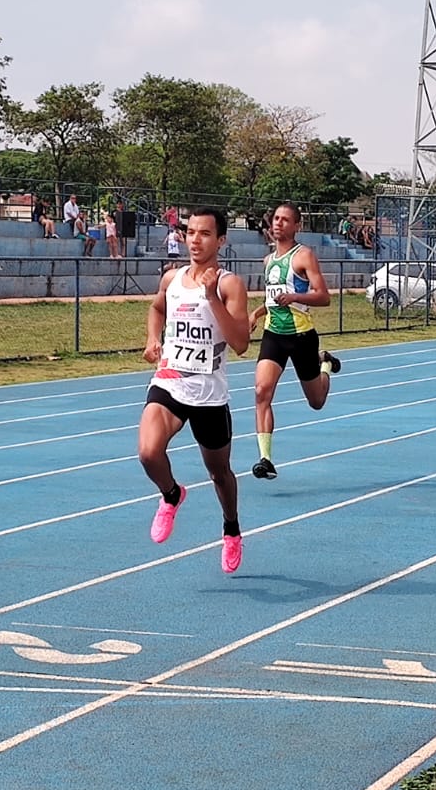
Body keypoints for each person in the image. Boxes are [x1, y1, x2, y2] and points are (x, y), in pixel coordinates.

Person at [138, 206, 251, 573]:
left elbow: (240, 343)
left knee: (219, 473)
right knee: (148, 452)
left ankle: (231, 529)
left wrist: (212, 297)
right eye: (191, 233)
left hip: (209, 393)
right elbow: (157, 309)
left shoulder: (229, 284)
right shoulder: (172, 279)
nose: (196, 240)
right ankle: (171, 494)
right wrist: (153, 339)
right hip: (170, 380)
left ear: (220, 240)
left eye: (205, 234)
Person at [248, 202, 341, 481]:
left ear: (296, 226)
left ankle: (324, 364)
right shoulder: (268, 261)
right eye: (276, 218)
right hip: (274, 335)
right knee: (261, 391)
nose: (278, 223)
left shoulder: (304, 256)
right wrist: (257, 312)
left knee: (316, 401)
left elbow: (323, 296)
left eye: (286, 220)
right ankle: (265, 459)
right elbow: (275, 299)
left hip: (301, 337)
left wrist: (296, 297)